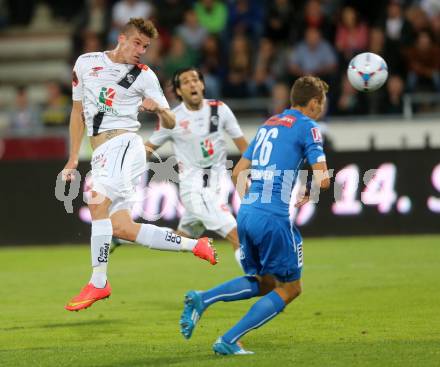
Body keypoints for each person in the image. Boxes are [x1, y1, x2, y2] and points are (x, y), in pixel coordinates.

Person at [62, 18, 217, 312]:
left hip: (124, 144)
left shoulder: (144, 76)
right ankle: (195, 245)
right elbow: (77, 112)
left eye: (146, 47)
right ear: (121, 38)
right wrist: (72, 158)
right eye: (137, 43)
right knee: (121, 227)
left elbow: (172, 121)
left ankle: (98, 282)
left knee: (96, 203)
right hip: (101, 151)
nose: (141, 51)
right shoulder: (86, 63)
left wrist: (157, 107)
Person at [179, 76, 331, 355]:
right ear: (312, 103)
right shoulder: (309, 127)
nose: (320, 110)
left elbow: (238, 172)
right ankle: (229, 339)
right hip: (273, 216)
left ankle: (203, 299)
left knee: (265, 282)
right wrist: (309, 188)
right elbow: (322, 179)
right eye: (320, 104)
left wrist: (250, 205)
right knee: (291, 288)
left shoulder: (269, 124)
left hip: (247, 211)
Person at [144, 67, 247, 266]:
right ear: (179, 91)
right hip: (195, 190)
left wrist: (251, 177)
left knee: (180, 237)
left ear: (202, 85)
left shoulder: (219, 109)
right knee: (237, 235)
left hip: (216, 188)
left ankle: (123, 235)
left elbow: (245, 148)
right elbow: (148, 149)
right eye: (185, 82)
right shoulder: (172, 119)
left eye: (195, 80)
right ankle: (258, 281)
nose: (192, 84)